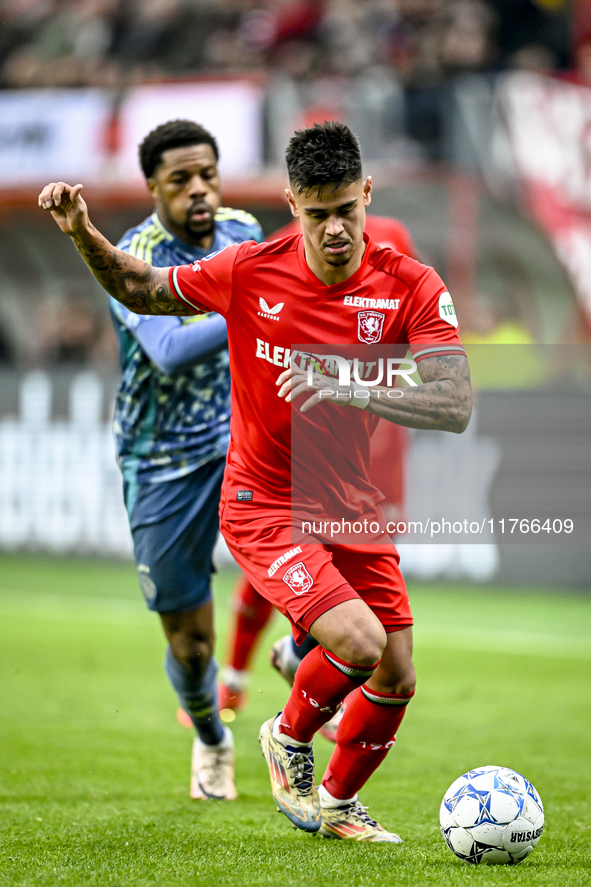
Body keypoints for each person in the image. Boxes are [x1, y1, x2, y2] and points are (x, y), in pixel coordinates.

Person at [39, 120, 472, 842]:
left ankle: (336, 805)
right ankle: (284, 735)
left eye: (346, 210)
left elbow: (453, 402)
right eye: (317, 212)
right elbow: (141, 287)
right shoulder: (251, 267)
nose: (334, 229)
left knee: (396, 673)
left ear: (366, 194)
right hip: (262, 500)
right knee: (358, 644)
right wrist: (82, 232)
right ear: (291, 203)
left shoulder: (409, 283)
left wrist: (349, 383)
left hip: (348, 502)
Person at [107, 119, 263, 801]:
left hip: (243, 436)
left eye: (207, 175)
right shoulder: (129, 254)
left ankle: (298, 652)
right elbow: (168, 350)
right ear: (152, 187)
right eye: (180, 180)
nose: (199, 191)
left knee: (316, 554)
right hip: (163, 457)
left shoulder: (244, 232)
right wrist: (260, 304)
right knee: (192, 643)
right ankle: (210, 737)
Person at [218, 213, 418, 742]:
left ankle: (299, 654)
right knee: (286, 562)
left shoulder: (394, 247)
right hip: (284, 447)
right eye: (318, 206)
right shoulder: (281, 252)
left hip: (355, 450)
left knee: (349, 587)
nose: (333, 224)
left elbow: (405, 338)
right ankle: (237, 681)